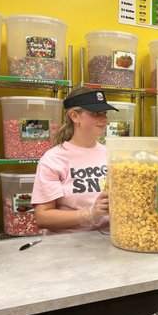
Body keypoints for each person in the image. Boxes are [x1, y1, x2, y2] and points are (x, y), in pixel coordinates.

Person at [31, 87, 118, 235]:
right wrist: (90, 213)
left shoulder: (110, 154)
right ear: (74, 116)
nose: (104, 119)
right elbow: (42, 217)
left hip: (108, 240)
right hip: (68, 244)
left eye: (105, 113)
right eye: (96, 113)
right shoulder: (53, 158)